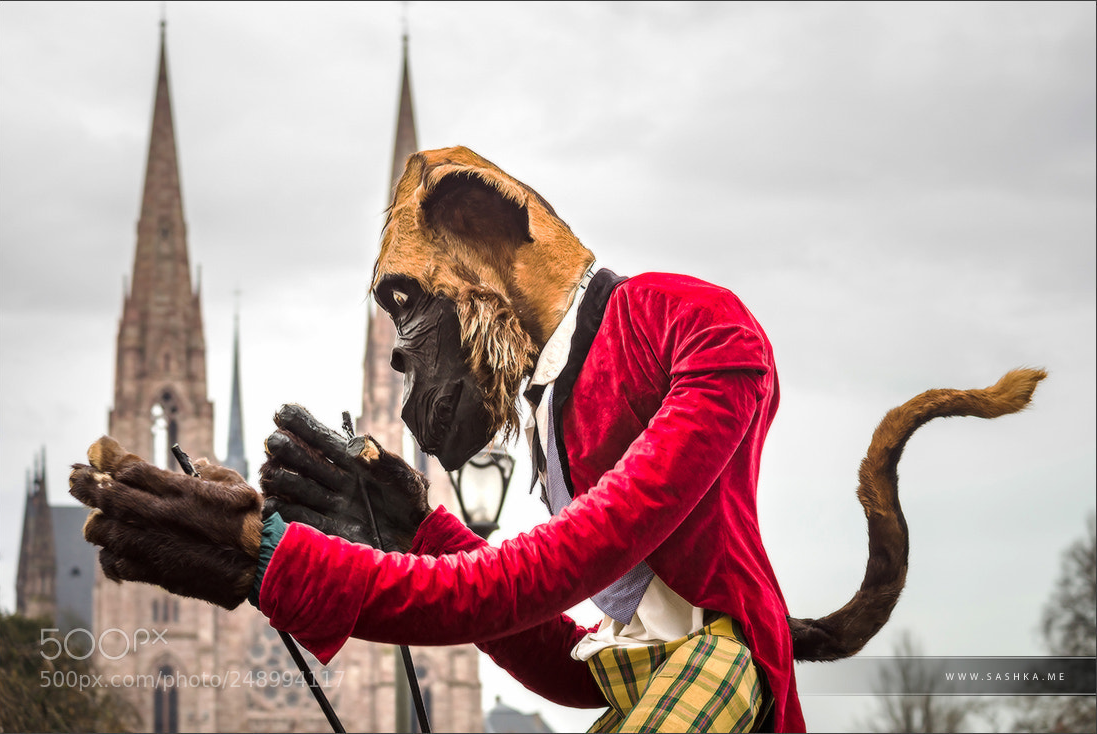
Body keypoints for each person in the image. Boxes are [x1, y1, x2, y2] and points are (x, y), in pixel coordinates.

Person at [69, 146, 807, 732]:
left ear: (476, 228)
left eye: (406, 301)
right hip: (664, 676)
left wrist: (276, 561)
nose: (398, 353)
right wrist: (424, 534)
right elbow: (577, 668)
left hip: (727, 666)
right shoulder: (553, 410)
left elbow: (556, 568)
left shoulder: (697, 326)